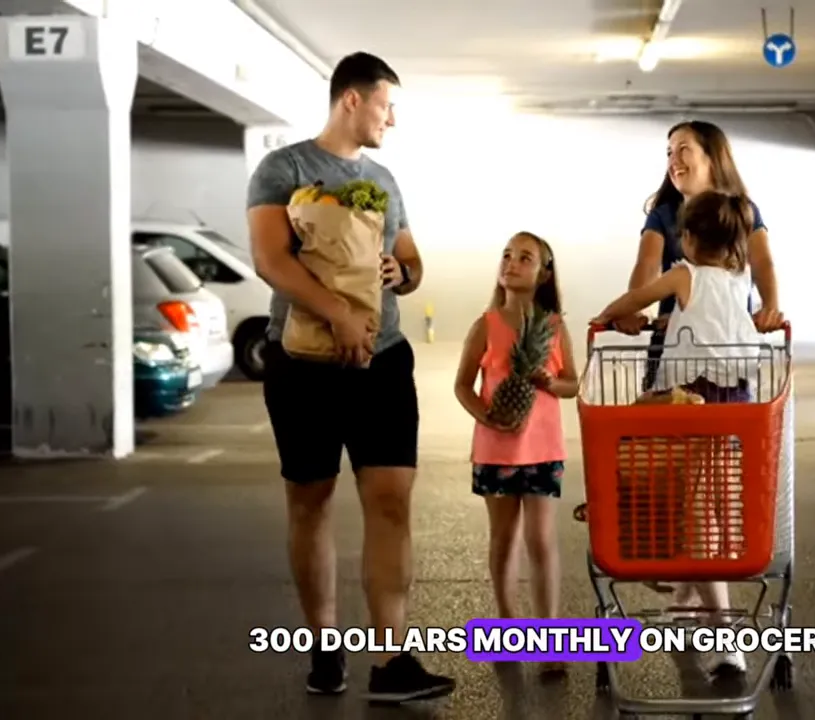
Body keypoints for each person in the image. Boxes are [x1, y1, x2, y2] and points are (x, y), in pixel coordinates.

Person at [246, 51, 455, 703]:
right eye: (387, 106)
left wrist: (404, 273)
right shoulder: (283, 169)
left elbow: (410, 257)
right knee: (311, 500)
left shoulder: (384, 179)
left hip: (382, 359)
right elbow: (270, 259)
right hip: (302, 363)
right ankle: (324, 644)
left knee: (391, 500)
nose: (393, 119)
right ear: (353, 100)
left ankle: (391, 660)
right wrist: (336, 313)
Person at [594, 190, 764, 678]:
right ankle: (687, 600)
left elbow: (635, 299)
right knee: (715, 505)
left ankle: (725, 635)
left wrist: (608, 315)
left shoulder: (683, 274)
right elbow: (715, 321)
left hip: (691, 404)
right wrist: (674, 321)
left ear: (686, 238)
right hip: (738, 406)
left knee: (695, 514)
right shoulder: (739, 276)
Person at [453, 231, 578, 680]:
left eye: (525, 257)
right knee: (503, 538)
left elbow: (572, 383)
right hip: (496, 449)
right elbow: (463, 385)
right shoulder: (486, 325)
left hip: (543, 449)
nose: (512, 262)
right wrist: (486, 416)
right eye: (507, 255)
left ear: (543, 273)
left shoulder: (555, 326)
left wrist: (550, 381)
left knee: (541, 540)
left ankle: (550, 638)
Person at [617, 120, 784, 389]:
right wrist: (632, 310)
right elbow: (646, 264)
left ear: (712, 158)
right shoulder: (663, 215)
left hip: (728, 345)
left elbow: (762, 262)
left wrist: (770, 308)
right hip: (674, 345)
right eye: (669, 152)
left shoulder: (743, 211)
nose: (673, 159)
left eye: (684, 149)